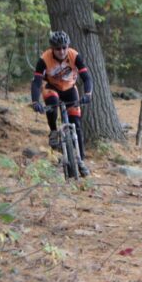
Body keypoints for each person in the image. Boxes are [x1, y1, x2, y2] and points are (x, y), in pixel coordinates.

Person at [31, 30, 94, 176]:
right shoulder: (44, 59)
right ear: (52, 48)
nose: (62, 51)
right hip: (51, 87)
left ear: (68, 46)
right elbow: (36, 83)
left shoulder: (75, 56)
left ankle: (80, 161)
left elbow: (87, 78)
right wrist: (35, 101)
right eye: (58, 48)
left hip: (70, 89)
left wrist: (88, 94)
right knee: (52, 103)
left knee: (76, 125)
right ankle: (53, 131)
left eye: (64, 47)